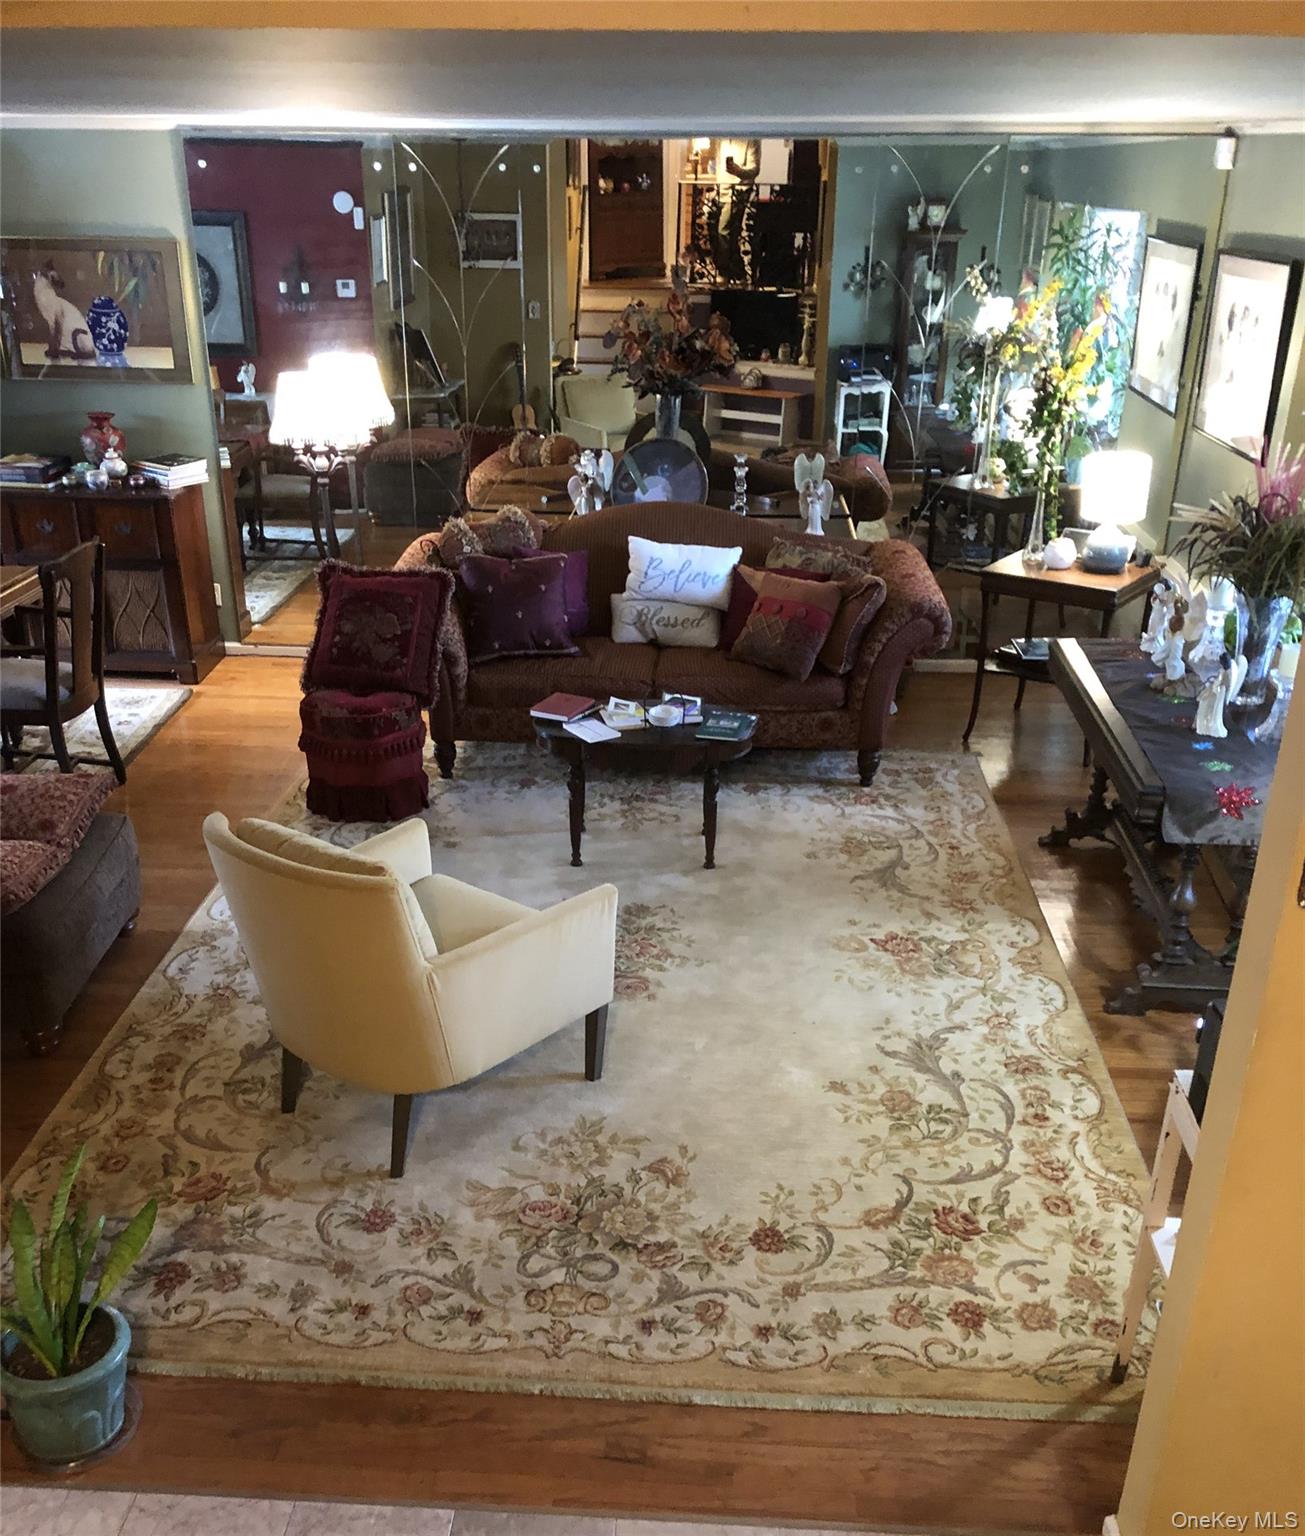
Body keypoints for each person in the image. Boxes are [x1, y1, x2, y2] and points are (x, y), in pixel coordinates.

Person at [711, 138, 760, 285]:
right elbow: (719, 164)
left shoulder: (752, 139)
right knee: (717, 229)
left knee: (723, 230)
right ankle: (737, 272)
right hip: (721, 190)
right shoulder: (723, 139)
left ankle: (726, 271)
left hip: (738, 192)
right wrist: (716, 187)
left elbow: (754, 170)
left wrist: (738, 171)